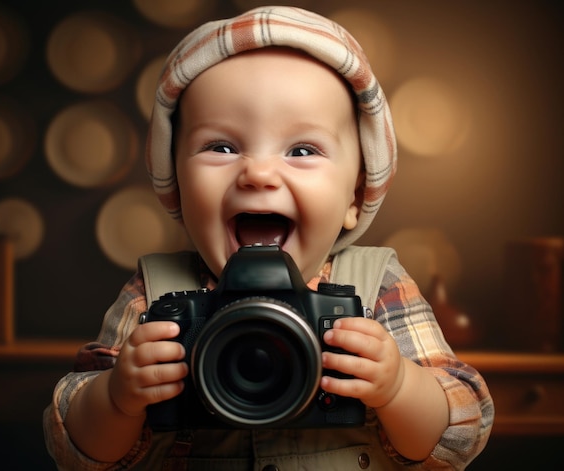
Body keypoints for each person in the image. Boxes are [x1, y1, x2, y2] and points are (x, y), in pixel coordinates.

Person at [43, 6, 493, 470]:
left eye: (302, 150)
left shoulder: (376, 286)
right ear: (176, 184)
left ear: (354, 195)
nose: (258, 173)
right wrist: (117, 398)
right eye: (222, 147)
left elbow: (459, 434)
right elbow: (77, 453)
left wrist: (399, 387)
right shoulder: (157, 294)